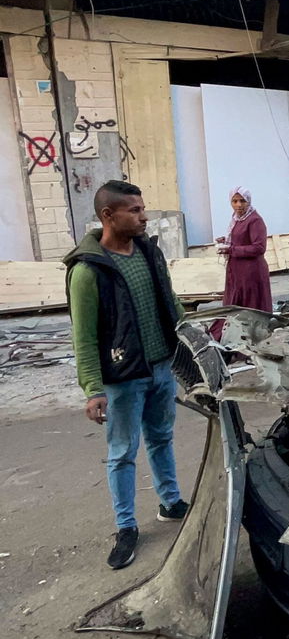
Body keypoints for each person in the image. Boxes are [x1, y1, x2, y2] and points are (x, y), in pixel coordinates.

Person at [65, 180, 189, 570]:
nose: (144, 216)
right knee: (121, 453)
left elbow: (170, 302)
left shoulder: (149, 252)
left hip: (160, 368)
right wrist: (92, 388)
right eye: (134, 210)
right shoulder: (88, 271)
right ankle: (126, 527)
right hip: (122, 378)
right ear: (108, 215)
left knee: (161, 437)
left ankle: (170, 503)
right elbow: (82, 336)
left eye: (142, 208)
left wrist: (193, 340)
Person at [216, 187, 272, 313]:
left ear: (249, 201)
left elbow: (259, 247)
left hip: (251, 272)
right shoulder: (237, 219)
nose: (238, 205)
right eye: (234, 201)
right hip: (237, 272)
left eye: (242, 201)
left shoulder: (254, 220)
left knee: (250, 307)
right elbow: (241, 239)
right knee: (235, 307)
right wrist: (225, 241)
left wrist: (231, 249)